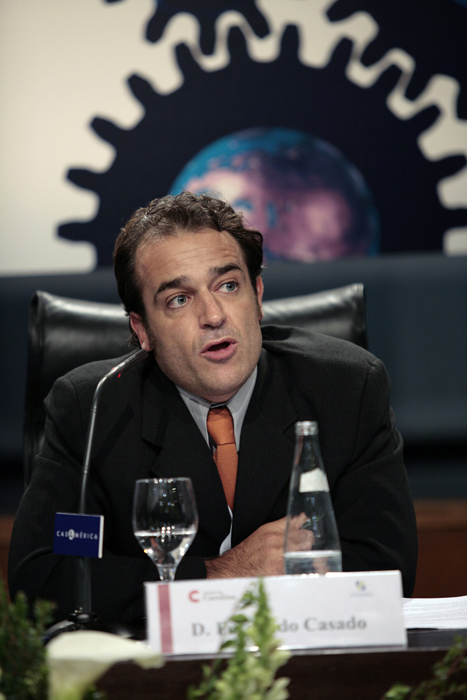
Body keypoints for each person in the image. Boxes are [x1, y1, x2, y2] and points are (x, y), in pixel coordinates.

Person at [9, 192, 417, 625]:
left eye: (228, 286)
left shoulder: (346, 389)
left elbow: (386, 569)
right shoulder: (92, 410)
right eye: (179, 299)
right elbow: (45, 578)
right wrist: (222, 574)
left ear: (257, 295)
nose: (213, 315)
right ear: (142, 330)